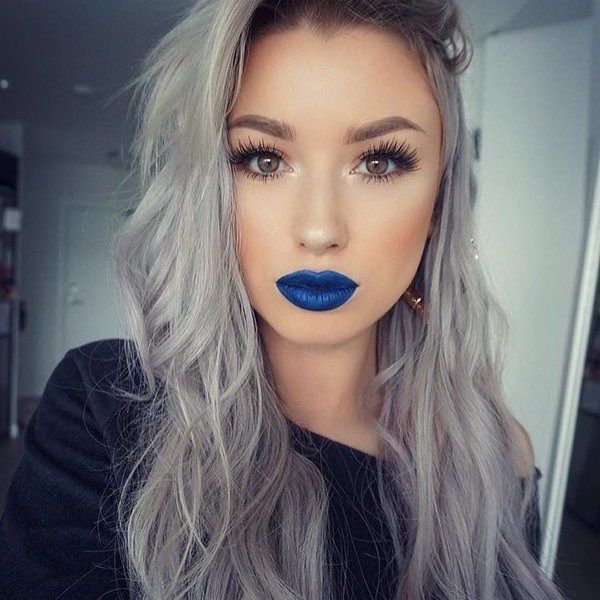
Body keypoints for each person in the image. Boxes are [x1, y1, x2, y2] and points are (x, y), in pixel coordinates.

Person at [0, 1, 567, 599]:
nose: (319, 230)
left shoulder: (494, 457)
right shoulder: (102, 409)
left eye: (379, 162)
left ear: (439, 201)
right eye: (264, 159)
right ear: (211, 189)